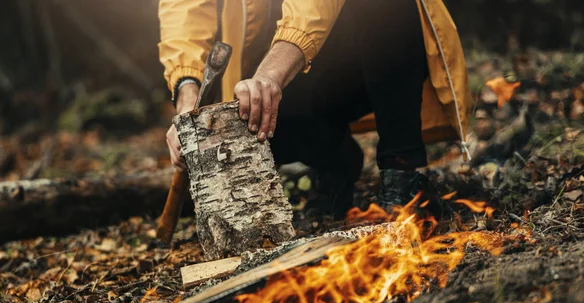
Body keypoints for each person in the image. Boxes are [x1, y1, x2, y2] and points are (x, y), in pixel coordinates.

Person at [159, 0, 472, 219]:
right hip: (274, 82)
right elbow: (183, 10)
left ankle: (403, 174)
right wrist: (186, 92)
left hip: (351, 61)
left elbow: (313, 7)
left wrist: (269, 77)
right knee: (247, 122)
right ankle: (333, 160)